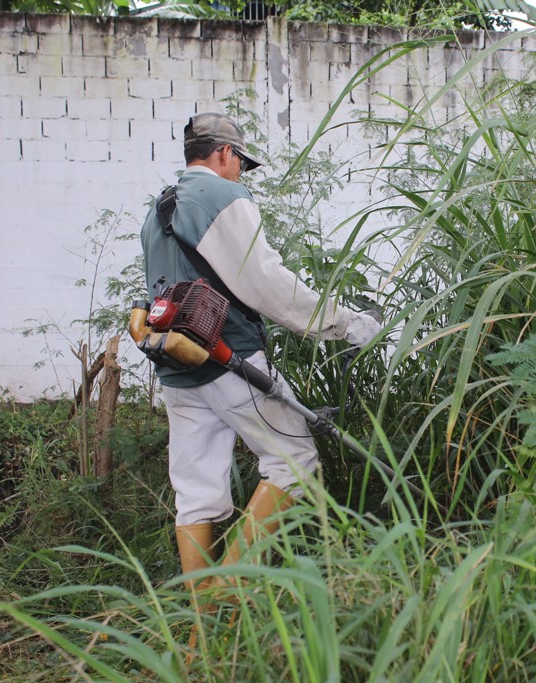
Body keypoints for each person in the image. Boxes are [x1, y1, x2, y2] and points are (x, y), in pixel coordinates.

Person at [139, 112, 383, 589]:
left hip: (176, 363)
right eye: (240, 163)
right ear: (225, 154)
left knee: (196, 492)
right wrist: (344, 323)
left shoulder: (158, 209)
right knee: (294, 460)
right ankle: (224, 596)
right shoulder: (220, 195)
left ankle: (201, 634)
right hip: (230, 358)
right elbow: (266, 283)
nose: (240, 174)